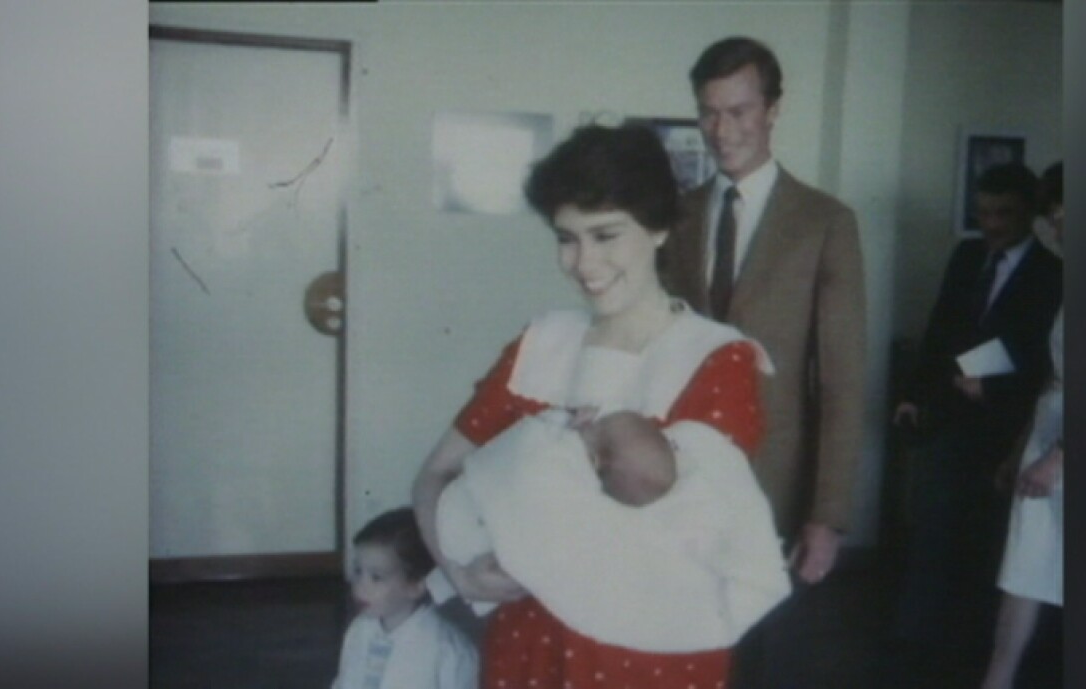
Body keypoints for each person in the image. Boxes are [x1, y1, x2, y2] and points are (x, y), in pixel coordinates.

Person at [412, 123, 789, 689]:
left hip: (648, 656)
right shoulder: (542, 343)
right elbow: (436, 473)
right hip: (529, 644)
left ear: (659, 229)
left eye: (606, 235)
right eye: (567, 237)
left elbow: (701, 532)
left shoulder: (714, 358)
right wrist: (460, 574)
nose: (584, 262)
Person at [660, 35, 867, 686]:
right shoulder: (678, 216)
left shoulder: (824, 222)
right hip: (681, 474)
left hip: (775, 484)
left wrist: (826, 515)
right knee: (685, 644)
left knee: (768, 659)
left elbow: (842, 381)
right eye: (709, 112)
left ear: (773, 110)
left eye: (740, 111)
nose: (722, 131)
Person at [433, 402, 788, 651]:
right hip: (461, 521)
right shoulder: (572, 448)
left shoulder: (564, 471)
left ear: (597, 459)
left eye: (596, 427)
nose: (588, 422)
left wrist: (559, 422)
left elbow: (539, 478)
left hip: (468, 531)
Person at [889, 162, 1063, 663]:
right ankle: (917, 644)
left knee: (991, 542)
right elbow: (939, 327)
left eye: (1002, 213)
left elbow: (1042, 358)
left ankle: (976, 647)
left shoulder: (1053, 275)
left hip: (1008, 422)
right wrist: (912, 394)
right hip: (949, 413)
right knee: (934, 527)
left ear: (1030, 213)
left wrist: (991, 390)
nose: (990, 224)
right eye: (983, 212)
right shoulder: (966, 257)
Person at [978, 161, 1064, 689]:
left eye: (1061, 212)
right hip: (1047, 431)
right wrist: (1020, 451)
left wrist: (1061, 455)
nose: (1055, 225)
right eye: (1051, 214)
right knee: (1023, 571)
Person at [332, 507, 477, 689]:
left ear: (415, 586)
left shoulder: (447, 649)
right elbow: (344, 681)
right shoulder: (358, 630)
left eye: (376, 577)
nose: (360, 585)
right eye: (358, 571)